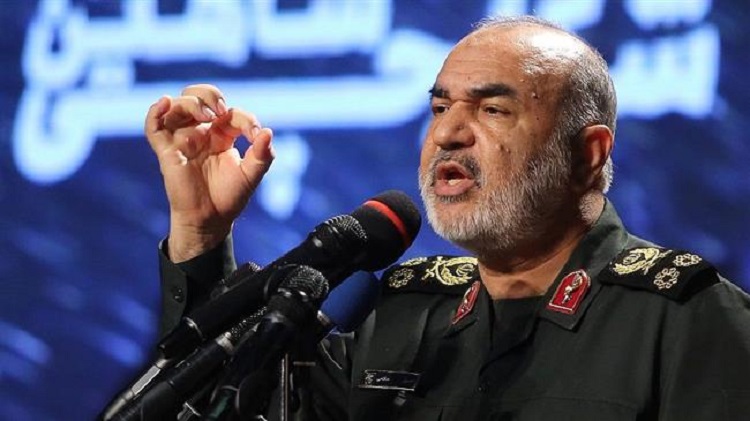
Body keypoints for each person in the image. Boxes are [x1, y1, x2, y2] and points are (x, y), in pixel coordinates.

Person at [144, 15, 750, 420]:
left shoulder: (687, 321)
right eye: (440, 108)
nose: (447, 134)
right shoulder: (403, 316)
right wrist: (201, 230)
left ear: (587, 154)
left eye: (492, 110)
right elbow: (225, 400)